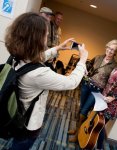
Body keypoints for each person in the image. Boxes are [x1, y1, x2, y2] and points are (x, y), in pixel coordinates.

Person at [5, 12, 88, 150]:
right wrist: (83, 60)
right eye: (46, 34)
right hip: (27, 124)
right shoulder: (39, 74)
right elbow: (71, 82)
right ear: (37, 38)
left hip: (14, 113)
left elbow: (34, 60)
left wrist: (57, 48)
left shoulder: (16, 56)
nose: (47, 36)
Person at [68, 39, 117, 142]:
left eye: (113, 50)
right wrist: (85, 71)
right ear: (106, 47)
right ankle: (76, 130)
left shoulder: (115, 66)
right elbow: (88, 65)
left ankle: (78, 135)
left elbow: (113, 82)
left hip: (97, 91)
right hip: (86, 85)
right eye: (109, 48)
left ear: (115, 52)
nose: (110, 51)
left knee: (84, 111)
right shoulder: (98, 57)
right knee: (81, 108)